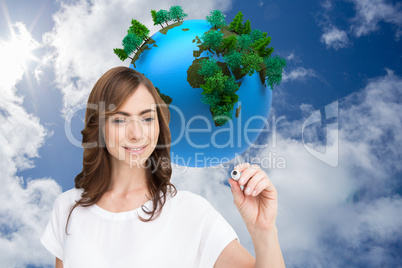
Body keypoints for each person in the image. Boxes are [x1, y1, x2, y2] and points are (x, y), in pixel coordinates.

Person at [40, 66, 285, 268]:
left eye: (147, 118)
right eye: (119, 120)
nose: (136, 134)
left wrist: (264, 231)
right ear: (100, 128)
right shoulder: (67, 208)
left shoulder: (191, 211)